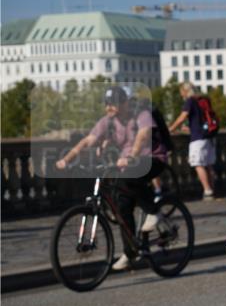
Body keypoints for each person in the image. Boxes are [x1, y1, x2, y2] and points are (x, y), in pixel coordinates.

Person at [55, 85, 164, 271]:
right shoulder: (108, 121)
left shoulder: (141, 114)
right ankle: (131, 252)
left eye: (112, 104)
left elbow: (143, 136)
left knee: (132, 175)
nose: (109, 108)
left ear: (125, 103)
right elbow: (89, 140)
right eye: (107, 105)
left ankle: (154, 212)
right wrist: (66, 159)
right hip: (126, 163)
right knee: (122, 206)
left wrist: (132, 156)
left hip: (152, 158)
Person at [168, 82, 216, 200]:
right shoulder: (201, 100)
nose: (181, 95)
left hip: (198, 139)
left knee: (199, 165)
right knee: (208, 165)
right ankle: (212, 189)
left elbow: (183, 116)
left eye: (181, 92)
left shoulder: (190, 101)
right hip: (208, 136)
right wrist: (189, 128)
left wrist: (171, 129)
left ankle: (207, 191)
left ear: (185, 91)